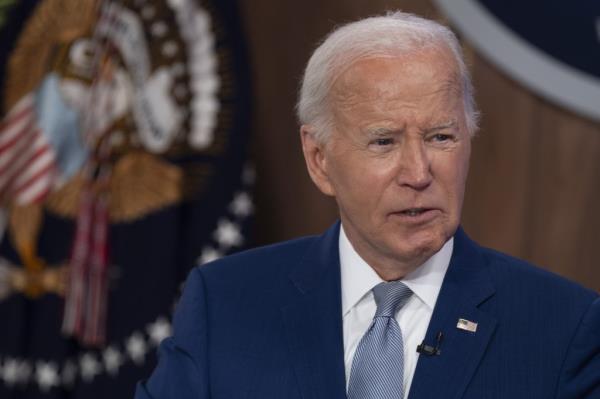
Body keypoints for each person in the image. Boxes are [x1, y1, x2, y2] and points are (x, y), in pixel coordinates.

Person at [135, 11, 600, 399]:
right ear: (319, 160)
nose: (418, 173)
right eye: (384, 141)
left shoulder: (562, 329)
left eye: (441, 137)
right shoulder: (226, 306)